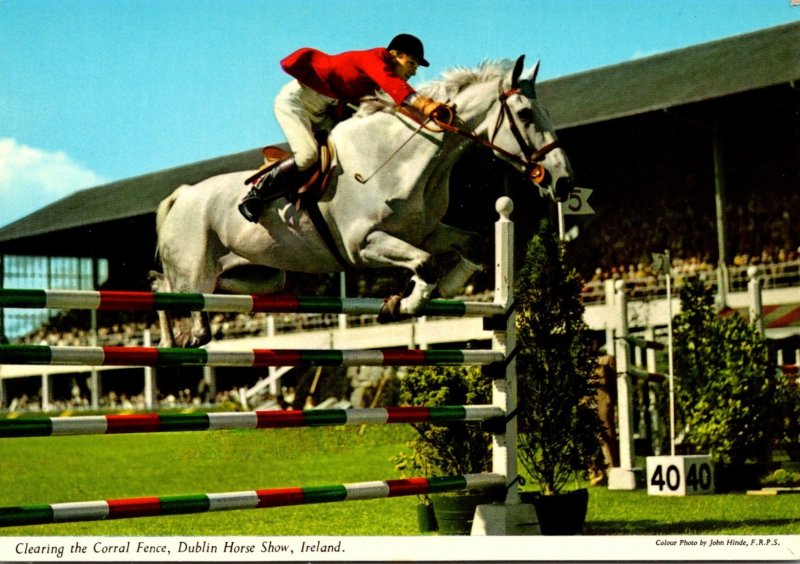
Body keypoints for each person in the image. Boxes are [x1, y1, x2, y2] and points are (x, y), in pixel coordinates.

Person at [239, 33, 451, 222]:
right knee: (307, 155)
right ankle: (257, 193)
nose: (413, 71)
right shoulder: (374, 58)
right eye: (412, 63)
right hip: (296, 104)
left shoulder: (375, 81)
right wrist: (426, 105)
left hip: (325, 112)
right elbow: (396, 88)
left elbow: (395, 106)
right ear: (395, 54)